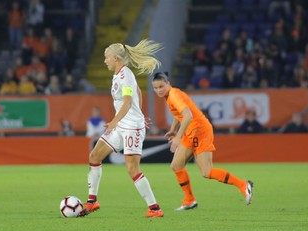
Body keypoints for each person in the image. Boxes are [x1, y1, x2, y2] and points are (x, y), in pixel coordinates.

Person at [78, 39, 164, 218]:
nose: (105, 61)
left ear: (116, 58)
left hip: (131, 127)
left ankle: (155, 208)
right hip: (123, 124)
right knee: (94, 156)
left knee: (133, 169)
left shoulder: (125, 76)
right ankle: (92, 201)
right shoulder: (119, 75)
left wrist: (116, 121)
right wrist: (138, 112)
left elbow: (126, 102)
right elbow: (137, 92)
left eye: (107, 57)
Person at [152, 72, 253, 210]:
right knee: (176, 165)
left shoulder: (174, 95)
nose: (158, 90)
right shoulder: (171, 94)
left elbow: (188, 115)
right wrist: (173, 129)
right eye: (156, 88)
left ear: (168, 84)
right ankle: (189, 200)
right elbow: (179, 113)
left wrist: (177, 137)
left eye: (161, 86)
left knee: (207, 172)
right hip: (191, 130)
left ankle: (243, 185)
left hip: (199, 130)